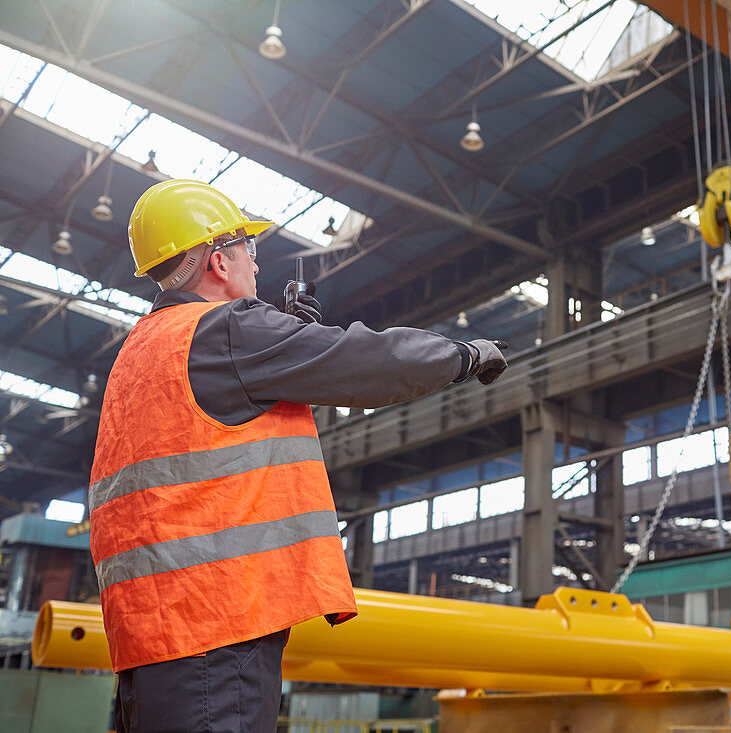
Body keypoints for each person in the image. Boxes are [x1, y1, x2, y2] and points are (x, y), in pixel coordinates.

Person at [88, 179, 508, 732]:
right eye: (250, 251)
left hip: (150, 636)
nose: (257, 268)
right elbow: (366, 361)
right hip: (219, 626)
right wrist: (461, 354)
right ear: (218, 261)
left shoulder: (139, 351)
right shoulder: (227, 330)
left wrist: (287, 345)